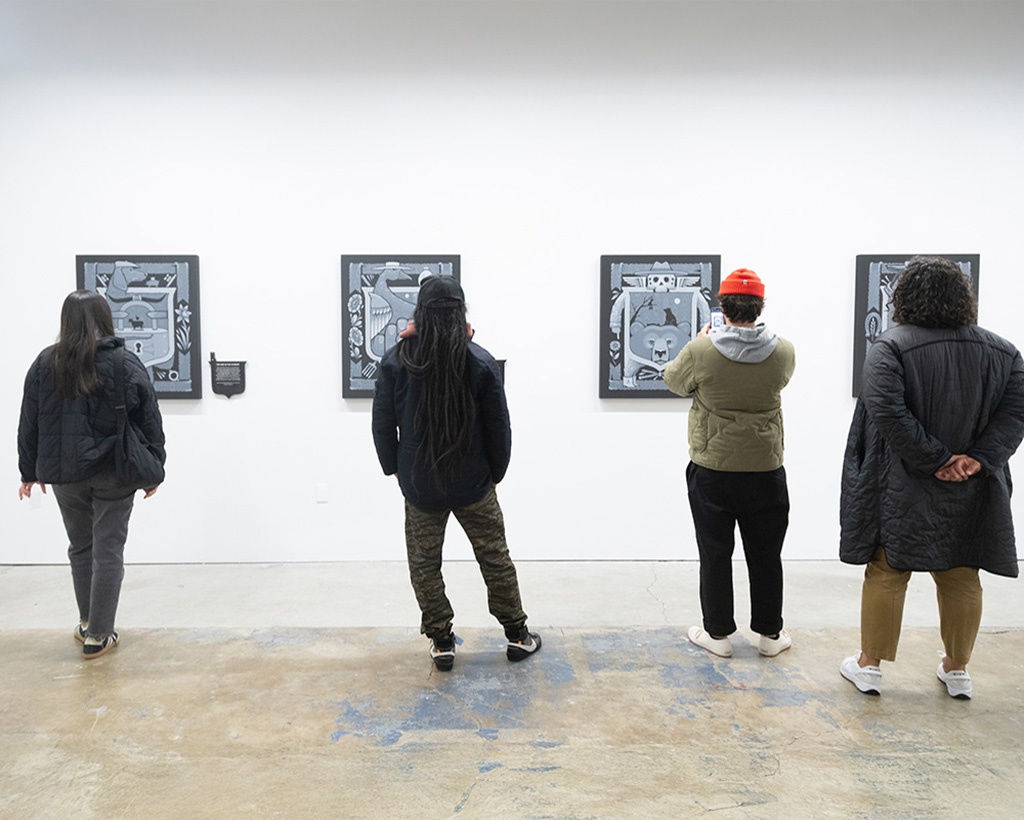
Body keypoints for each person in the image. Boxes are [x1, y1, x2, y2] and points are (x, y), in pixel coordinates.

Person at [840, 256, 1024, 699]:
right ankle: (957, 670)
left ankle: (869, 667)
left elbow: (886, 410)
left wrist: (935, 458)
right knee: (962, 571)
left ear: (904, 298)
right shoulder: (1003, 351)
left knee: (887, 569)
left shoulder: (890, 346)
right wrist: (975, 461)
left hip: (901, 481)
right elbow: (1015, 413)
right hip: (973, 484)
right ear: (963, 298)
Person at [371, 275, 540, 671]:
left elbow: (382, 424)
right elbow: (499, 425)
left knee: (424, 563)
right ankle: (517, 634)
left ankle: (442, 640)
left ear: (420, 312)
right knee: (494, 557)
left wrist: (395, 469)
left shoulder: (397, 360)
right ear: (460, 312)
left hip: (420, 484)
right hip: (473, 482)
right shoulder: (479, 360)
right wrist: (495, 472)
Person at [17, 290, 165, 659]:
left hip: (64, 473)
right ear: (105, 317)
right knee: (108, 550)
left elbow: (29, 422)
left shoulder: (44, 364)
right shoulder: (123, 363)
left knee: (81, 547)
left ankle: (87, 623)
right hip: (114, 471)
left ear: (65, 320)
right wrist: (155, 469)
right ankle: (99, 634)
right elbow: (149, 421)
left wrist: (28, 471)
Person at [664, 269, 796, 659]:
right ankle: (770, 635)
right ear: (760, 306)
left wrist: (699, 343)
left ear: (723, 306)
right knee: (766, 554)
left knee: (715, 551)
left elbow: (674, 381)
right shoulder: (784, 351)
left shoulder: (701, 351)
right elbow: (781, 381)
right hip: (765, 468)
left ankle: (718, 635)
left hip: (712, 468)